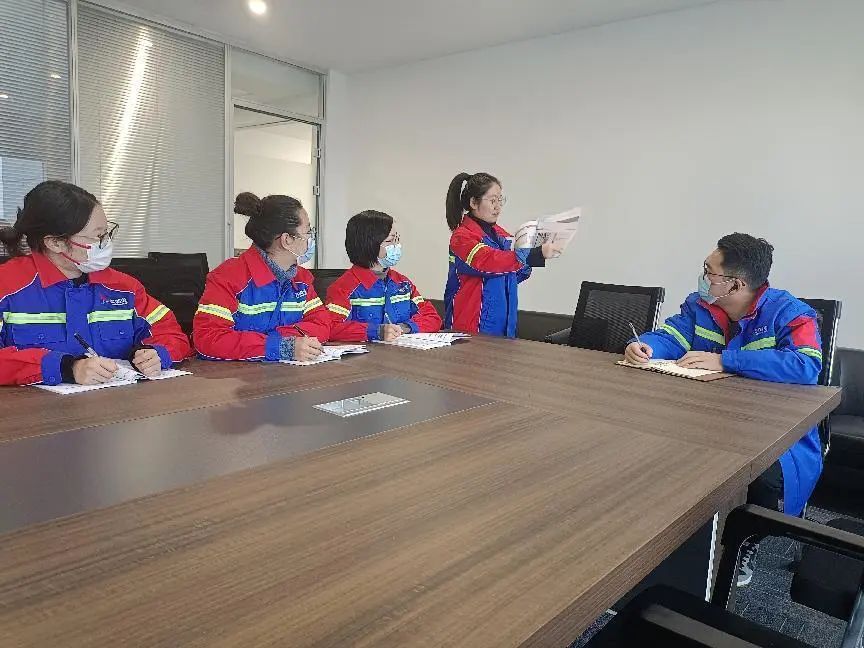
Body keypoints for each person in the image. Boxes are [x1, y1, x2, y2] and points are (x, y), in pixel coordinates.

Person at [624, 233, 823, 585]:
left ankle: (746, 540)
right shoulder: (701, 306)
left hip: (768, 427)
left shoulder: (789, 312)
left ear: (736, 284)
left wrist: (726, 360)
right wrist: (644, 346)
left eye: (709, 271)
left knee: (760, 476)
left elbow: (806, 365)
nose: (703, 277)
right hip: (705, 416)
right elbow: (670, 337)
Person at [0, 180, 191, 386]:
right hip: (36, 406)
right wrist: (66, 368)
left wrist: (157, 353)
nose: (106, 243)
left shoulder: (124, 288)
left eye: (107, 233)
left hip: (120, 402)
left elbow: (174, 335)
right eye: (98, 236)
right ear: (55, 243)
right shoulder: (7, 285)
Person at [194, 192, 330, 362]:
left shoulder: (301, 279)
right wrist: (280, 346)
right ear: (287, 239)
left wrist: (281, 339)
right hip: (237, 377)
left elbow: (322, 324)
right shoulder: (228, 277)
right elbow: (208, 339)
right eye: (308, 231)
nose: (311, 238)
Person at [443, 172, 563, 337]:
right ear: (473, 202)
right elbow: (488, 262)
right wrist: (533, 254)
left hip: (504, 326)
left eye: (500, 200)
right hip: (471, 328)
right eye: (492, 201)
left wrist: (534, 247)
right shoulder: (462, 237)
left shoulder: (501, 235)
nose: (498, 207)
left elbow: (516, 273)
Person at [326, 210, 441, 342]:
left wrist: (405, 328)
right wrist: (376, 331)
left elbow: (432, 317)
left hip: (402, 352)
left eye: (397, 240)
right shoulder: (343, 288)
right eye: (390, 240)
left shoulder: (403, 284)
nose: (397, 246)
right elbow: (331, 328)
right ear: (369, 244)